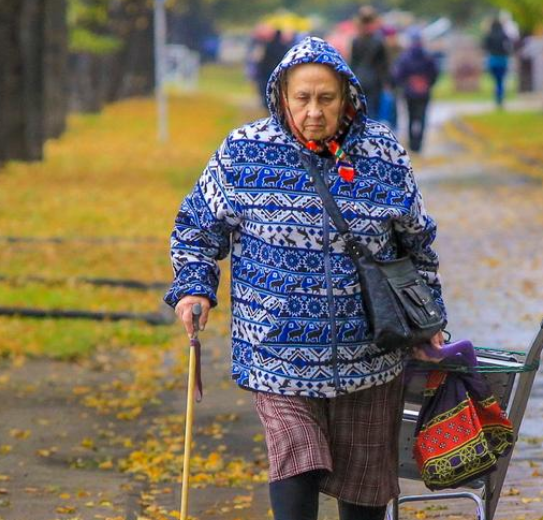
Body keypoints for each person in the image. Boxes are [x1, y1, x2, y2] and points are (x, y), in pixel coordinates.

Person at [166, 36, 446, 520]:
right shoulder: (244, 152)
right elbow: (196, 225)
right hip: (278, 352)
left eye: (326, 98)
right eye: (302, 98)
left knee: (364, 484)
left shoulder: (383, 153)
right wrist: (194, 286)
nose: (314, 112)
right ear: (282, 97)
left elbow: (417, 243)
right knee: (296, 461)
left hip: (372, 355)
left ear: (347, 98)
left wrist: (430, 318)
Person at [394, 32, 440, 153]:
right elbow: (435, 72)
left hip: (409, 92)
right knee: (422, 117)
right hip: (424, 91)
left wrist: (405, 85)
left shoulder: (405, 57)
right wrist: (429, 84)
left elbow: (398, 74)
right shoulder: (428, 56)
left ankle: (412, 142)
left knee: (410, 117)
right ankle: (419, 142)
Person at [350, 7, 391, 125]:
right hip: (375, 80)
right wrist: (387, 82)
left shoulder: (356, 40)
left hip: (359, 79)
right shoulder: (379, 41)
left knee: (361, 110)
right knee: (374, 110)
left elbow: (353, 62)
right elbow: (384, 65)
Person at [257, 30, 292, 110]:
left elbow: (263, 60)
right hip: (278, 72)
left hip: (267, 71)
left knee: (266, 88)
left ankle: (267, 104)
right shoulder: (284, 47)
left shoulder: (268, 46)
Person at [482, 18, 512, 109]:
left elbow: (484, 46)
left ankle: (498, 98)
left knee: (497, 81)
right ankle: (500, 98)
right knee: (500, 81)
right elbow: (509, 47)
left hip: (493, 60)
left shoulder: (489, 35)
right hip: (502, 60)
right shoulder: (504, 35)